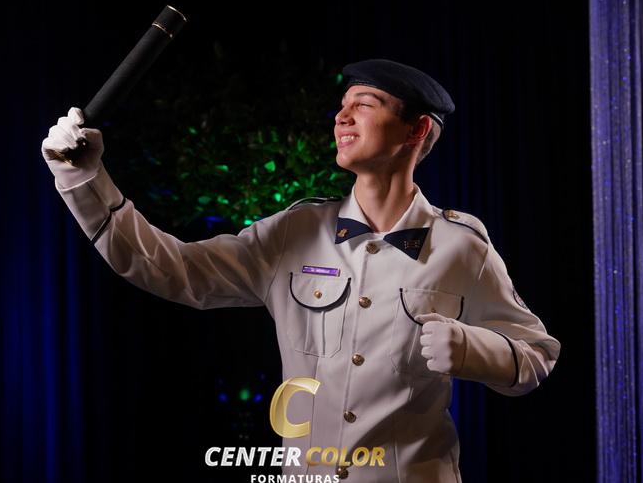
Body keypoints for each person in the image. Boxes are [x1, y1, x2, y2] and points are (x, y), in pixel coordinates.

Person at [41, 58, 560, 482]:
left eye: (364, 104)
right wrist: (84, 179)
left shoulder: (461, 246)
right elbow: (173, 269)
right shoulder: (293, 233)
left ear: (417, 129)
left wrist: (472, 349)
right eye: (342, 106)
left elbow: (537, 353)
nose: (342, 117)